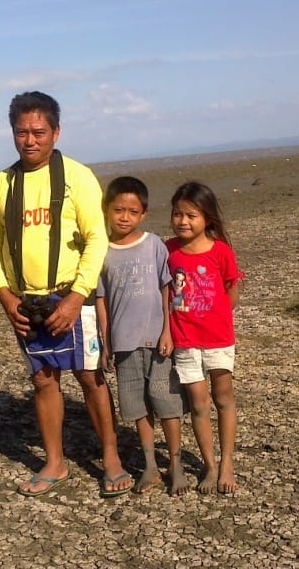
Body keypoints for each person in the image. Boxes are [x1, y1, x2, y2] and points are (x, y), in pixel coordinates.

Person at [0, 91, 132, 497]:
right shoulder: (1, 184)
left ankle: (111, 458)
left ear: (56, 132)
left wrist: (77, 296)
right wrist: (4, 295)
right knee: (44, 380)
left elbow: (97, 238)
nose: (30, 140)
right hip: (25, 302)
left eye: (39, 132)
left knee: (89, 376)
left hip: (71, 298)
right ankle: (55, 461)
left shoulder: (78, 177)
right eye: (22, 132)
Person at [96, 176, 189, 496]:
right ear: (106, 210)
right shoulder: (102, 252)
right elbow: (102, 302)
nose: (124, 216)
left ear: (143, 214)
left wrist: (168, 330)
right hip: (123, 344)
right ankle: (150, 465)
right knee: (137, 407)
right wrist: (106, 344)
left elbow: (168, 291)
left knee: (166, 402)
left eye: (132, 211)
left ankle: (175, 464)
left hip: (157, 340)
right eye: (118, 209)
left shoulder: (153, 245)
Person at [165, 181, 242, 494]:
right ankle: (210, 466)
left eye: (191, 215)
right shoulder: (168, 251)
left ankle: (227, 463)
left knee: (223, 398)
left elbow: (231, 292)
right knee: (198, 404)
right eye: (177, 214)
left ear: (207, 219)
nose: (183, 221)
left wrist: (213, 316)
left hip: (218, 339)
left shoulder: (221, 252)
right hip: (184, 341)